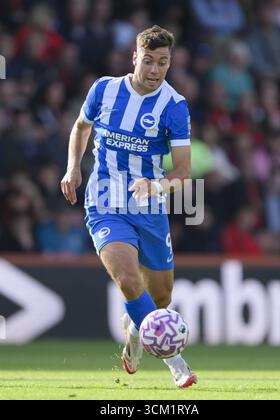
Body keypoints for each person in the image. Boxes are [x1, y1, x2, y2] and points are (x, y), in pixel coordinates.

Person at [61, 25, 197, 388]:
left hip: (149, 205)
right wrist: (73, 167)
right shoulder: (104, 89)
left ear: (170, 63)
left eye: (163, 63)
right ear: (135, 57)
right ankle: (176, 362)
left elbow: (184, 170)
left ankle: (135, 330)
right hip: (105, 200)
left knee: (161, 296)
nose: (155, 70)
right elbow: (80, 126)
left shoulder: (174, 106)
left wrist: (158, 185)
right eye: (149, 61)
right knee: (126, 278)